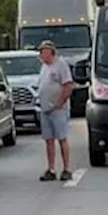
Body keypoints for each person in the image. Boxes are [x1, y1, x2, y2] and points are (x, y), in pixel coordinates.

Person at [36, 40, 75, 182]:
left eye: (44, 51)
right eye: (41, 51)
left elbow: (68, 85)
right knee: (48, 140)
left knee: (62, 138)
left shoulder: (60, 65)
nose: (42, 54)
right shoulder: (44, 67)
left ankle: (67, 168)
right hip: (45, 108)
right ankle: (51, 169)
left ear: (51, 52)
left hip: (58, 108)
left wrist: (60, 102)